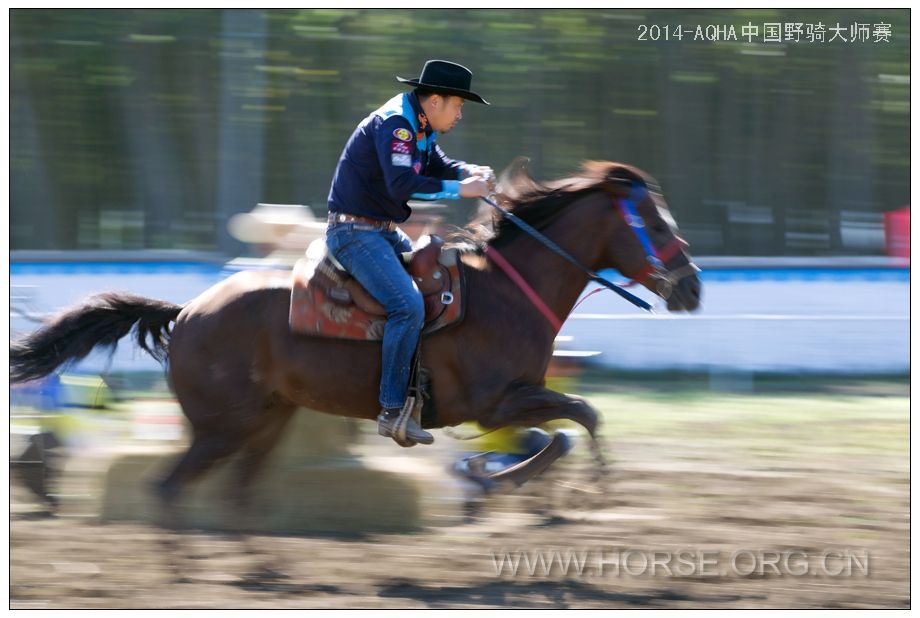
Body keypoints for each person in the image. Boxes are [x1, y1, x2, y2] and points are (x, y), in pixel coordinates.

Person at [326, 60, 494, 446]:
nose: (460, 114)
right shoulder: (397, 125)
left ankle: (422, 389)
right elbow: (403, 184)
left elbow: (437, 165)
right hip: (354, 234)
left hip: (379, 232)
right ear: (435, 101)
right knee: (408, 305)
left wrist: (470, 172)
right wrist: (463, 191)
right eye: (458, 106)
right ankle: (390, 409)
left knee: (442, 283)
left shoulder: (417, 124)